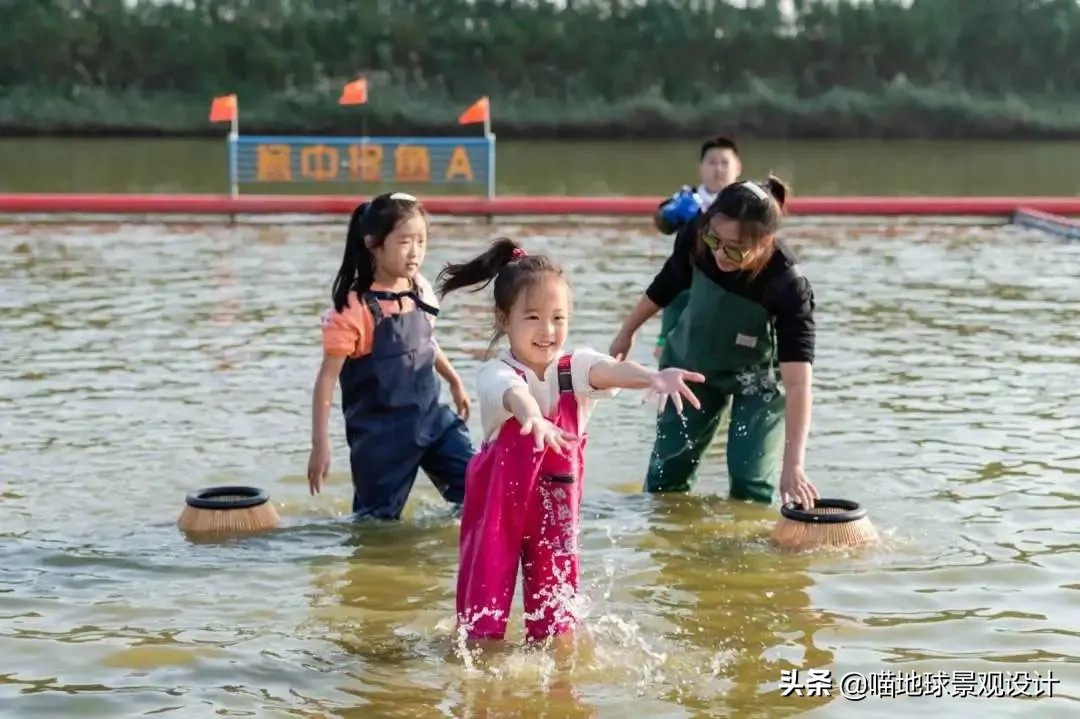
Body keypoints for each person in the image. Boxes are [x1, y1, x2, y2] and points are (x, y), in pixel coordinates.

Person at [435, 237, 705, 643]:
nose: (547, 331)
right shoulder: (496, 371)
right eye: (533, 318)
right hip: (497, 508)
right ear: (504, 319)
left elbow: (608, 371)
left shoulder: (572, 367)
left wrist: (650, 377)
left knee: (556, 624)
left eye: (558, 318)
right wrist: (532, 419)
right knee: (481, 624)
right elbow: (514, 394)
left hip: (555, 509)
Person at [609, 177, 820, 510]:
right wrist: (627, 330)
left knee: (750, 481)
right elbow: (668, 281)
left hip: (756, 380)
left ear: (764, 242)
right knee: (668, 473)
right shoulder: (697, 236)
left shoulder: (787, 285)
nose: (720, 253)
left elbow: (798, 385)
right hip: (692, 364)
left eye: (734, 248)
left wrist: (794, 464)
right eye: (714, 239)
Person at [306, 192, 475, 520]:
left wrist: (454, 380)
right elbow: (326, 381)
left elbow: (427, 341)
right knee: (376, 527)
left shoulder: (419, 289)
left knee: (480, 487)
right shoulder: (352, 311)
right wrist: (319, 445)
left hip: (432, 421)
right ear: (373, 243)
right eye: (404, 242)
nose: (415, 253)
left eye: (422, 241)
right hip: (381, 440)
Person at [652, 136, 743, 360]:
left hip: (730, 286)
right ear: (701, 167)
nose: (718, 169)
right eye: (712, 162)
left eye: (725, 162)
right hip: (688, 285)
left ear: (737, 168)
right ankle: (666, 341)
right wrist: (669, 215)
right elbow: (662, 223)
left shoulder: (746, 202)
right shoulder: (686, 198)